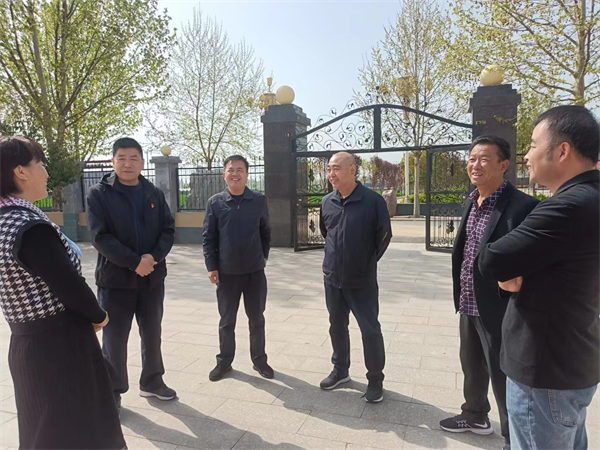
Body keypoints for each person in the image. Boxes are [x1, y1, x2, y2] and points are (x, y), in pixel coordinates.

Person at [478, 105, 599, 450]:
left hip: (545, 371)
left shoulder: (567, 207)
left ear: (562, 151)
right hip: (573, 359)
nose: (528, 155)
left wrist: (508, 272)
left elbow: (492, 259)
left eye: (533, 145)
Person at [0, 136, 126, 449]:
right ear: (20, 172)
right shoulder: (30, 227)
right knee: (76, 430)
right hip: (61, 346)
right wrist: (99, 315)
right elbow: (68, 285)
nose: (46, 172)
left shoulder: (5, 219)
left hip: (26, 343)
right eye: (40, 164)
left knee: (44, 428)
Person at [439, 136, 538, 449]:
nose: (475, 165)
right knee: (471, 364)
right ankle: (475, 415)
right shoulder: (472, 200)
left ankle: (513, 438)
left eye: (483, 159)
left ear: (504, 165)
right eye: (471, 159)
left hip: (500, 308)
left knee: (503, 375)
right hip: (469, 302)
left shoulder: (523, 207)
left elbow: (531, 261)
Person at [87, 137, 176, 410]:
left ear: (142, 163)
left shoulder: (153, 193)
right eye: (122, 158)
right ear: (113, 161)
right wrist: (134, 262)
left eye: (134, 158)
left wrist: (153, 257)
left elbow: (168, 229)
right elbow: (100, 237)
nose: (128, 164)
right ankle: (112, 392)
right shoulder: (99, 194)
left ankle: (152, 382)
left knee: (152, 333)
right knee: (114, 339)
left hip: (152, 278)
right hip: (115, 281)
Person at [318, 151, 392, 403]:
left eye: (336, 168)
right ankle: (340, 370)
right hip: (332, 277)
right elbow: (326, 232)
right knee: (337, 326)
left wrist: (365, 261)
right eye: (329, 169)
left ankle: (375, 380)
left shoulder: (373, 201)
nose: (331, 174)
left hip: (361, 280)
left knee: (370, 330)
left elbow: (384, 236)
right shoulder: (327, 201)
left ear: (352, 170)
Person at [203, 155, 273, 381]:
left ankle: (259, 360)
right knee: (226, 321)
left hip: (254, 272)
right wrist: (211, 266)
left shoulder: (259, 200)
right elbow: (209, 237)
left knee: (257, 319)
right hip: (226, 273)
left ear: (247, 175)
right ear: (224, 174)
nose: (235, 174)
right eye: (231, 170)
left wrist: (264, 256)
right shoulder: (215, 203)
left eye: (240, 170)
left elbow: (265, 231)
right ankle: (224, 362)